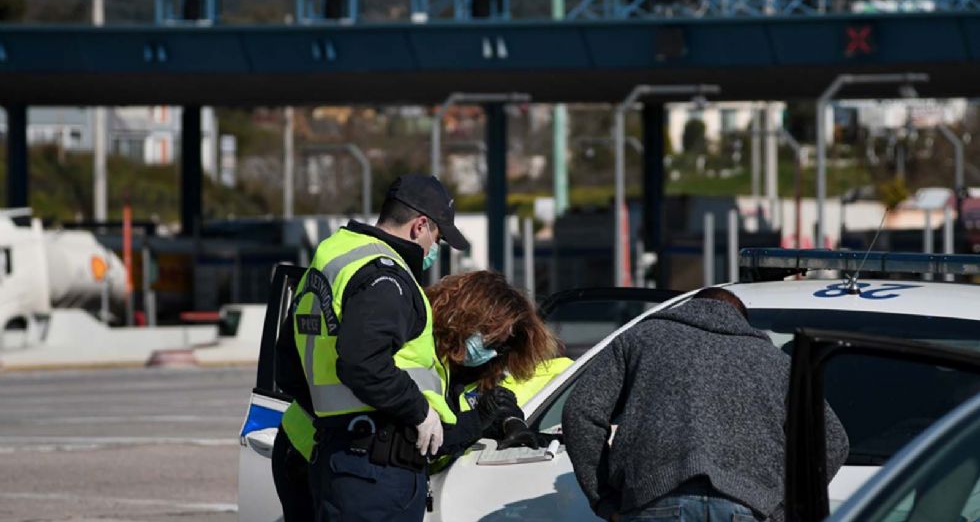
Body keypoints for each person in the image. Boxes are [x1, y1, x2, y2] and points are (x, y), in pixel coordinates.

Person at [274, 174, 511, 522]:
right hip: (376, 470)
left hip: (337, 456)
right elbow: (361, 361)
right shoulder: (387, 276)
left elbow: (289, 366)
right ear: (419, 226)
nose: (433, 251)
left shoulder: (332, 258)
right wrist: (419, 411)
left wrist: (335, 424)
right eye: (437, 239)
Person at [562, 288, 849, 522]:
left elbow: (582, 412)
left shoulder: (639, 339)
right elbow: (833, 441)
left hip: (655, 502)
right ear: (741, 322)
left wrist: (604, 498)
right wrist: (782, 509)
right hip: (747, 507)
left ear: (686, 308)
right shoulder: (776, 362)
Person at [426, 270, 574, 457]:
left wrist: (509, 421)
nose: (493, 353)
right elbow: (428, 442)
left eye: (503, 346)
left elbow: (490, 408)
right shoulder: (419, 361)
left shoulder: (484, 372)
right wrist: (478, 419)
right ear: (462, 322)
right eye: (491, 342)